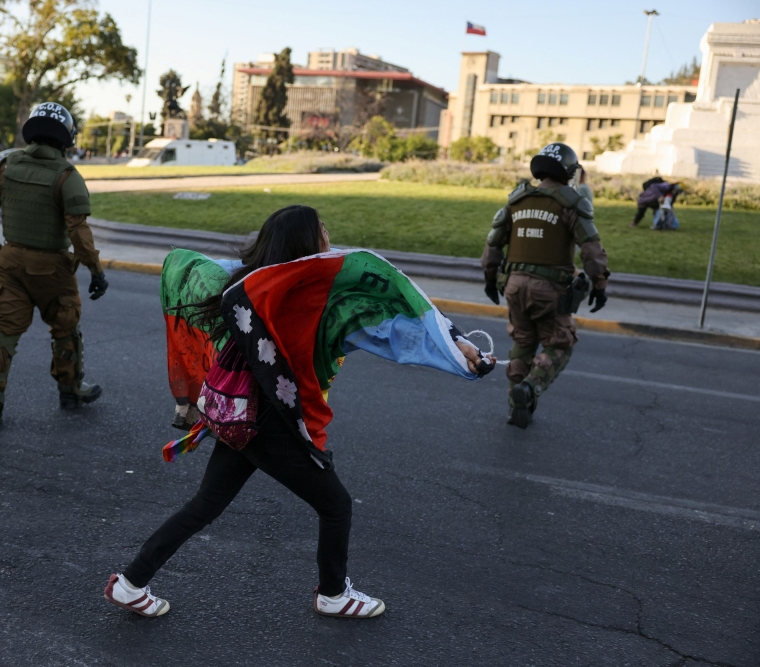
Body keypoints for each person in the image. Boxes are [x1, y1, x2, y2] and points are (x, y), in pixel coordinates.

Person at [104, 205, 495, 619]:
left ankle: (131, 583)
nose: (329, 235)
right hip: (273, 422)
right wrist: (458, 351)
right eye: (322, 229)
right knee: (336, 505)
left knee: (207, 503)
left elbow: (195, 267)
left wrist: (459, 346)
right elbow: (391, 326)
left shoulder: (253, 285)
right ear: (306, 243)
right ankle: (333, 594)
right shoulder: (315, 300)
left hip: (237, 412)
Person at [0, 102, 108, 427]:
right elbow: (79, 231)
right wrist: (96, 271)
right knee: (65, 331)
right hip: (53, 271)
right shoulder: (66, 175)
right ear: (66, 137)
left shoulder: (7, 165)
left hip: (12, 263)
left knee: (4, 333)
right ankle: (70, 390)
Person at [481, 142, 610, 429]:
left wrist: (490, 280)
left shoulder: (517, 200)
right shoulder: (572, 203)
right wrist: (600, 284)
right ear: (568, 170)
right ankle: (530, 386)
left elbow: (492, 247)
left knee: (522, 344)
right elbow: (591, 250)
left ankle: (517, 407)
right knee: (560, 344)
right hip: (551, 290)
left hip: (513, 286)